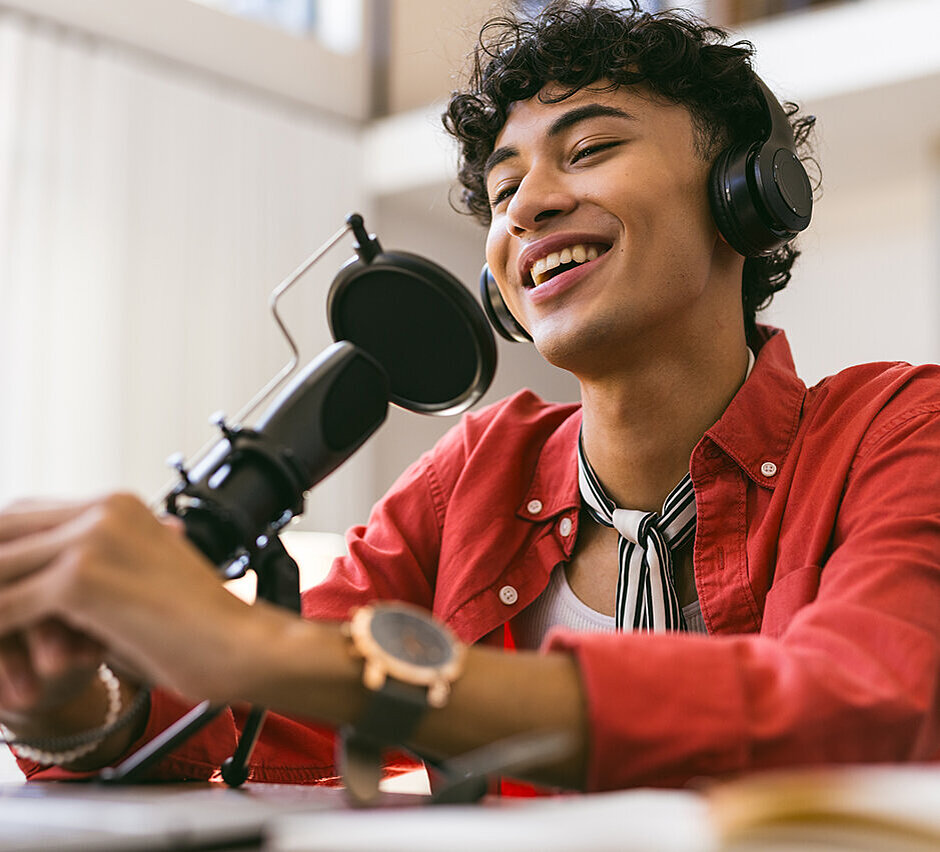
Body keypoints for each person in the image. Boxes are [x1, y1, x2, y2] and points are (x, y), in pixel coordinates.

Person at [1, 0, 938, 795]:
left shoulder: (900, 429)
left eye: (592, 146)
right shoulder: (478, 473)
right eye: (502, 188)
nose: (526, 205)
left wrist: (270, 650)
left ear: (747, 194)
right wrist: (75, 702)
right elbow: (236, 717)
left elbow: (859, 708)